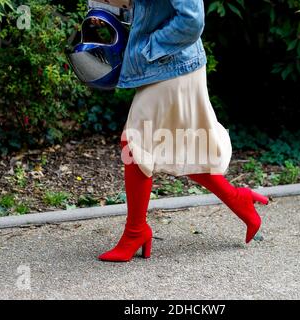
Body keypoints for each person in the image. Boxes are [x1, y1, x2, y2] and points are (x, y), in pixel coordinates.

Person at [98, 0, 268, 262]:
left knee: (134, 144)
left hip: (172, 66)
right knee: (181, 144)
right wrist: (108, 11)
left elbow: (191, 19)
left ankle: (136, 232)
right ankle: (238, 200)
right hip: (165, 65)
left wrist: (148, 49)